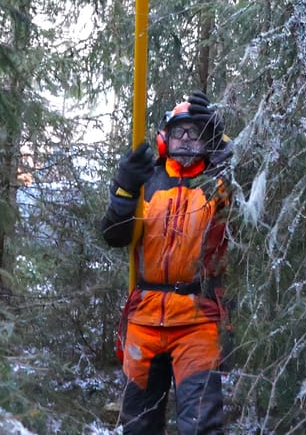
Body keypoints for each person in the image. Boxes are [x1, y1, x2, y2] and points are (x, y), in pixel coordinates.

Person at [101, 91, 234, 435]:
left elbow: (246, 182)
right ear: (165, 138)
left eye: (195, 132)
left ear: (207, 140)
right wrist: (124, 190)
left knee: (201, 426)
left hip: (197, 319)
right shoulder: (147, 183)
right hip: (144, 319)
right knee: (138, 426)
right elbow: (114, 235)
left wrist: (223, 140)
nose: (186, 139)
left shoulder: (218, 182)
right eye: (179, 132)